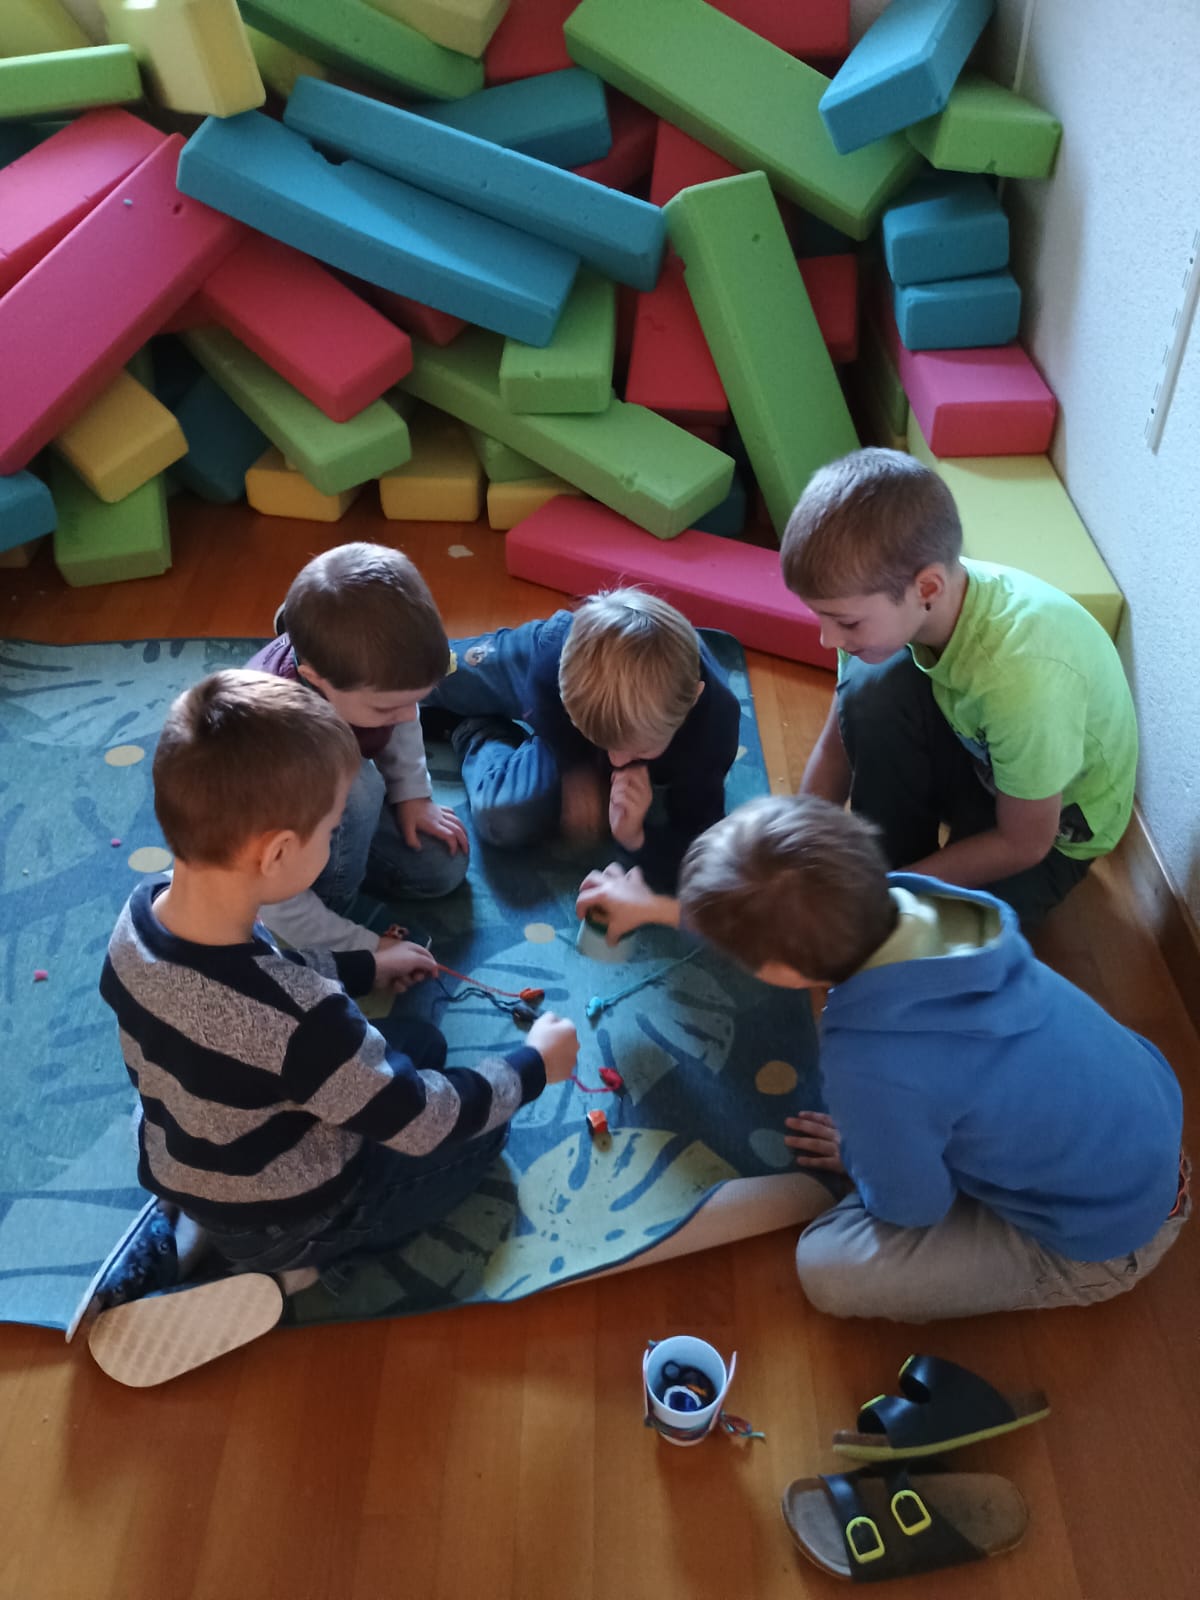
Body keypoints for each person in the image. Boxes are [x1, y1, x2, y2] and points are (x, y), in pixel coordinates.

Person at [574, 794, 1187, 1321]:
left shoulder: (869, 1064)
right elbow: (772, 912)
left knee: (825, 1266)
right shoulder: (915, 904)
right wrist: (656, 905)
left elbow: (913, 1209)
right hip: (1147, 1121)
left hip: (1107, 1236)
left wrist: (861, 1156)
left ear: (783, 970)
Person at [96, 670, 578, 1313]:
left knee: (420, 1044)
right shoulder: (306, 1021)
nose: (333, 842)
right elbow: (419, 1120)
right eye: (329, 832)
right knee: (481, 1134)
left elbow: (264, 967)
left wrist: (364, 966)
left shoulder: (139, 915)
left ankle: (191, 1225)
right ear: (277, 854)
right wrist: (534, 1065)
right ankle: (283, 1265)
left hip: (189, 1147)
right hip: (289, 1213)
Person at [781, 448, 1138, 927]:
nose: (827, 639)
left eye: (844, 622)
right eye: (821, 617)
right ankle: (894, 862)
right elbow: (837, 743)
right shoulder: (888, 603)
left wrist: (892, 890)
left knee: (942, 942)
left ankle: (900, 882)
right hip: (985, 764)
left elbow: (1024, 843)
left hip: (1048, 831)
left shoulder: (1022, 680)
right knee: (867, 688)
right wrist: (793, 842)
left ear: (927, 589)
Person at [421, 588, 741, 887]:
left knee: (502, 819)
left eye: (639, 749)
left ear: (693, 699)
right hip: (556, 689)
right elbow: (542, 690)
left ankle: (474, 728)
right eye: (604, 744)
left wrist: (635, 838)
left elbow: (699, 850)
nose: (616, 760)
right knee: (425, 672)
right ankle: (580, 730)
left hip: (583, 722)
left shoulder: (712, 733)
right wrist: (576, 768)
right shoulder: (564, 654)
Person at [246, 542, 469, 953]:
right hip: (272, 860)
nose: (407, 716)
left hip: (334, 815)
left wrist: (413, 796)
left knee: (443, 867)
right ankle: (333, 904)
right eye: (387, 708)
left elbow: (402, 719)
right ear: (316, 678)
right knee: (358, 788)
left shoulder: (371, 680)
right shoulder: (274, 747)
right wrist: (364, 947)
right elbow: (267, 890)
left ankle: (338, 876)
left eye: (414, 701)